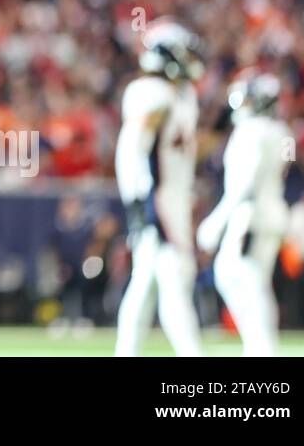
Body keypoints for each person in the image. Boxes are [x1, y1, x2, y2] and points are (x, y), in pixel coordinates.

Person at [113, 18, 204, 357]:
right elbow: (132, 148)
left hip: (172, 198)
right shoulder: (149, 92)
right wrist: (137, 200)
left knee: (145, 283)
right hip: (157, 200)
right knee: (174, 277)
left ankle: (126, 352)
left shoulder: (181, 94)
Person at [197, 69, 290, 356]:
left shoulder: (252, 131)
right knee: (239, 276)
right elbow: (286, 166)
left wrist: (217, 219)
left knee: (246, 279)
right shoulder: (282, 132)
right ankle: (259, 344)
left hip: (252, 215)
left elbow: (245, 181)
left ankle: (262, 347)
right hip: (270, 211)